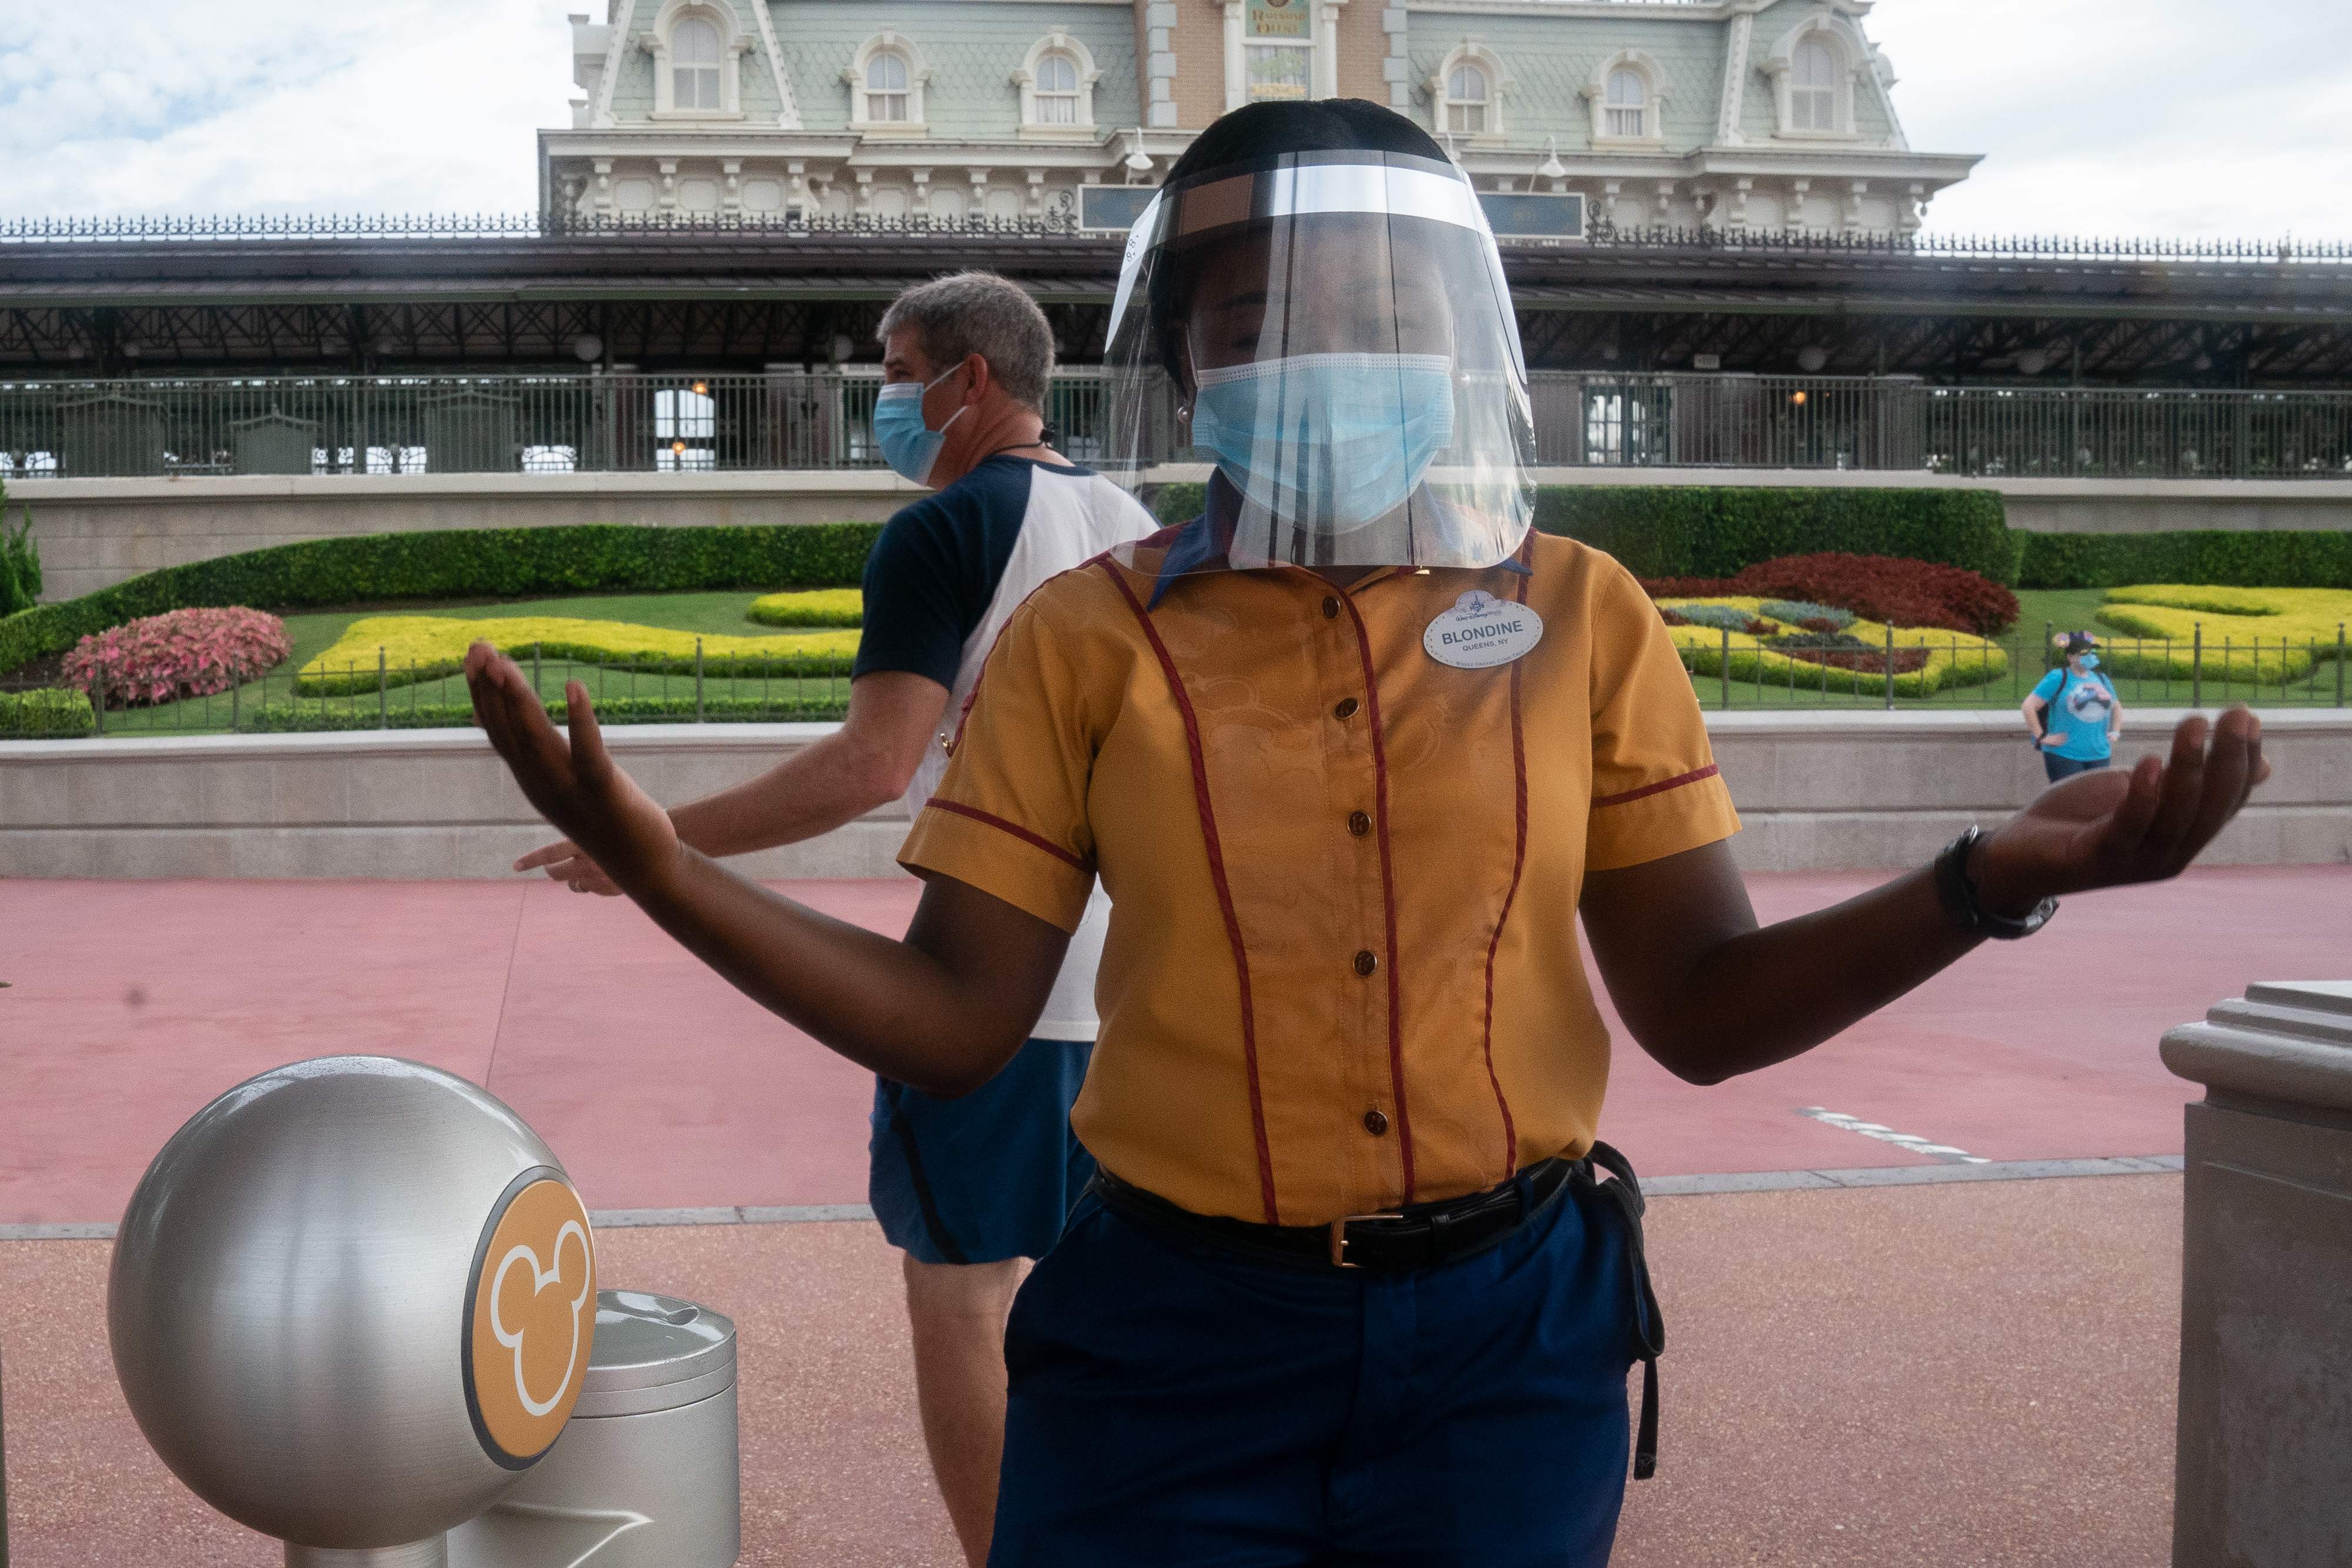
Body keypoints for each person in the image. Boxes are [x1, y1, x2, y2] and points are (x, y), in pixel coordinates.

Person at [463, 100, 2268, 1567]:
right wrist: (663, 866)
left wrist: (1990, 878)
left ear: (1457, 344)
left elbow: (1702, 1011)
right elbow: (956, 1020)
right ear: (1182, 364)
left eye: (1379, 317)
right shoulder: (1090, 638)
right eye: (1258, 320)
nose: (1324, 353)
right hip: (1167, 1335)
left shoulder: (1581, 614)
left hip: (1510, 1340)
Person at [508, 269, 1156, 1567]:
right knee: (1126, 1303)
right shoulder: (1139, 520)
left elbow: (872, 763)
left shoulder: (942, 532)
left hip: (989, 989)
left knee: (966, 1298)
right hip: (1148, 989)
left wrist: (653, 839)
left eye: (894, 368)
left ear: (970, 381)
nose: (883, 397)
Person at [2025, 631, 2123, 784]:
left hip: (2100, 753)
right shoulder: (2059, 677)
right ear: (2070, 657)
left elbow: (2116, 706)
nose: (2090, 656)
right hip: (2065, 754)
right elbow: (2029, 707)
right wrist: (2042, 737)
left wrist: (2115, 731)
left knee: (2095, 802)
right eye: (2084, 653)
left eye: (2093, 652)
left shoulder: (2101, 678)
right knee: (2070, 804)